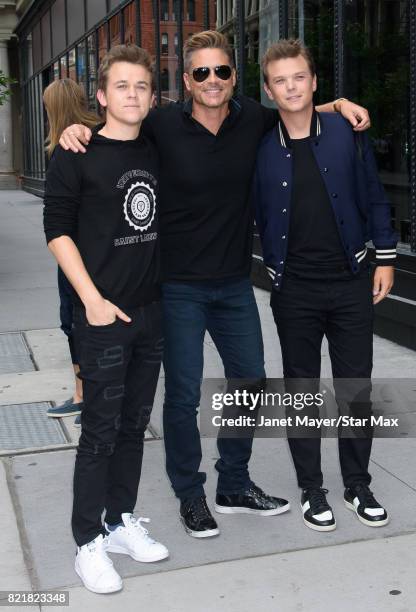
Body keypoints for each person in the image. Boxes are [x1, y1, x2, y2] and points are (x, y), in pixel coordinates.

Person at [58, 31, 372, 539]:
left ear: (233, 78)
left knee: (249, 381)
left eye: (221, 71)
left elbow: (298, 107)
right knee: (183, 396)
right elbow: (119, 128)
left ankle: (234, 483)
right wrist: (80, 129)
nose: (211, 81)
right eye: (200, 72)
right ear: (186, 81)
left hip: (233, 284)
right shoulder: (161, 124)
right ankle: (190, 494)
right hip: (176, 286)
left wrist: (336, 103)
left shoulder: (254, 119)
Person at [253, 39, 397, 532]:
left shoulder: (344, 132)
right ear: (269, 90)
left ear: (314, 83)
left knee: (356, 388)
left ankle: (357, 485)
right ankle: (312, 490)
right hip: (294, 289)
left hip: (353, 280)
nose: (291, 87)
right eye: (280, 80)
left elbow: (375, 197)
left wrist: (386, 257)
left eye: (299, 77)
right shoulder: (259, 145)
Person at [43, 44, 168, 594]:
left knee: (133, 428)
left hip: (151, 312)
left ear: (152, 95)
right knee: (98, 431)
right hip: (103, 316)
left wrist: (328, 106)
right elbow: (57, 229)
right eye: (122, 86)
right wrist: (90, 300)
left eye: (142, 86)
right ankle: (86, 542)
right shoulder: (76, 151)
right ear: (101, 96)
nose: (133, 95)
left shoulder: (159, 144)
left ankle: (119, 523)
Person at [43, 79, 100, 426]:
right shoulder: (92, 137)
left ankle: (87, 396)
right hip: (89, 248)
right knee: (79, 324)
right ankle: (86, 396)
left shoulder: (69, 147)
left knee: (77, 325)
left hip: (77, 252)